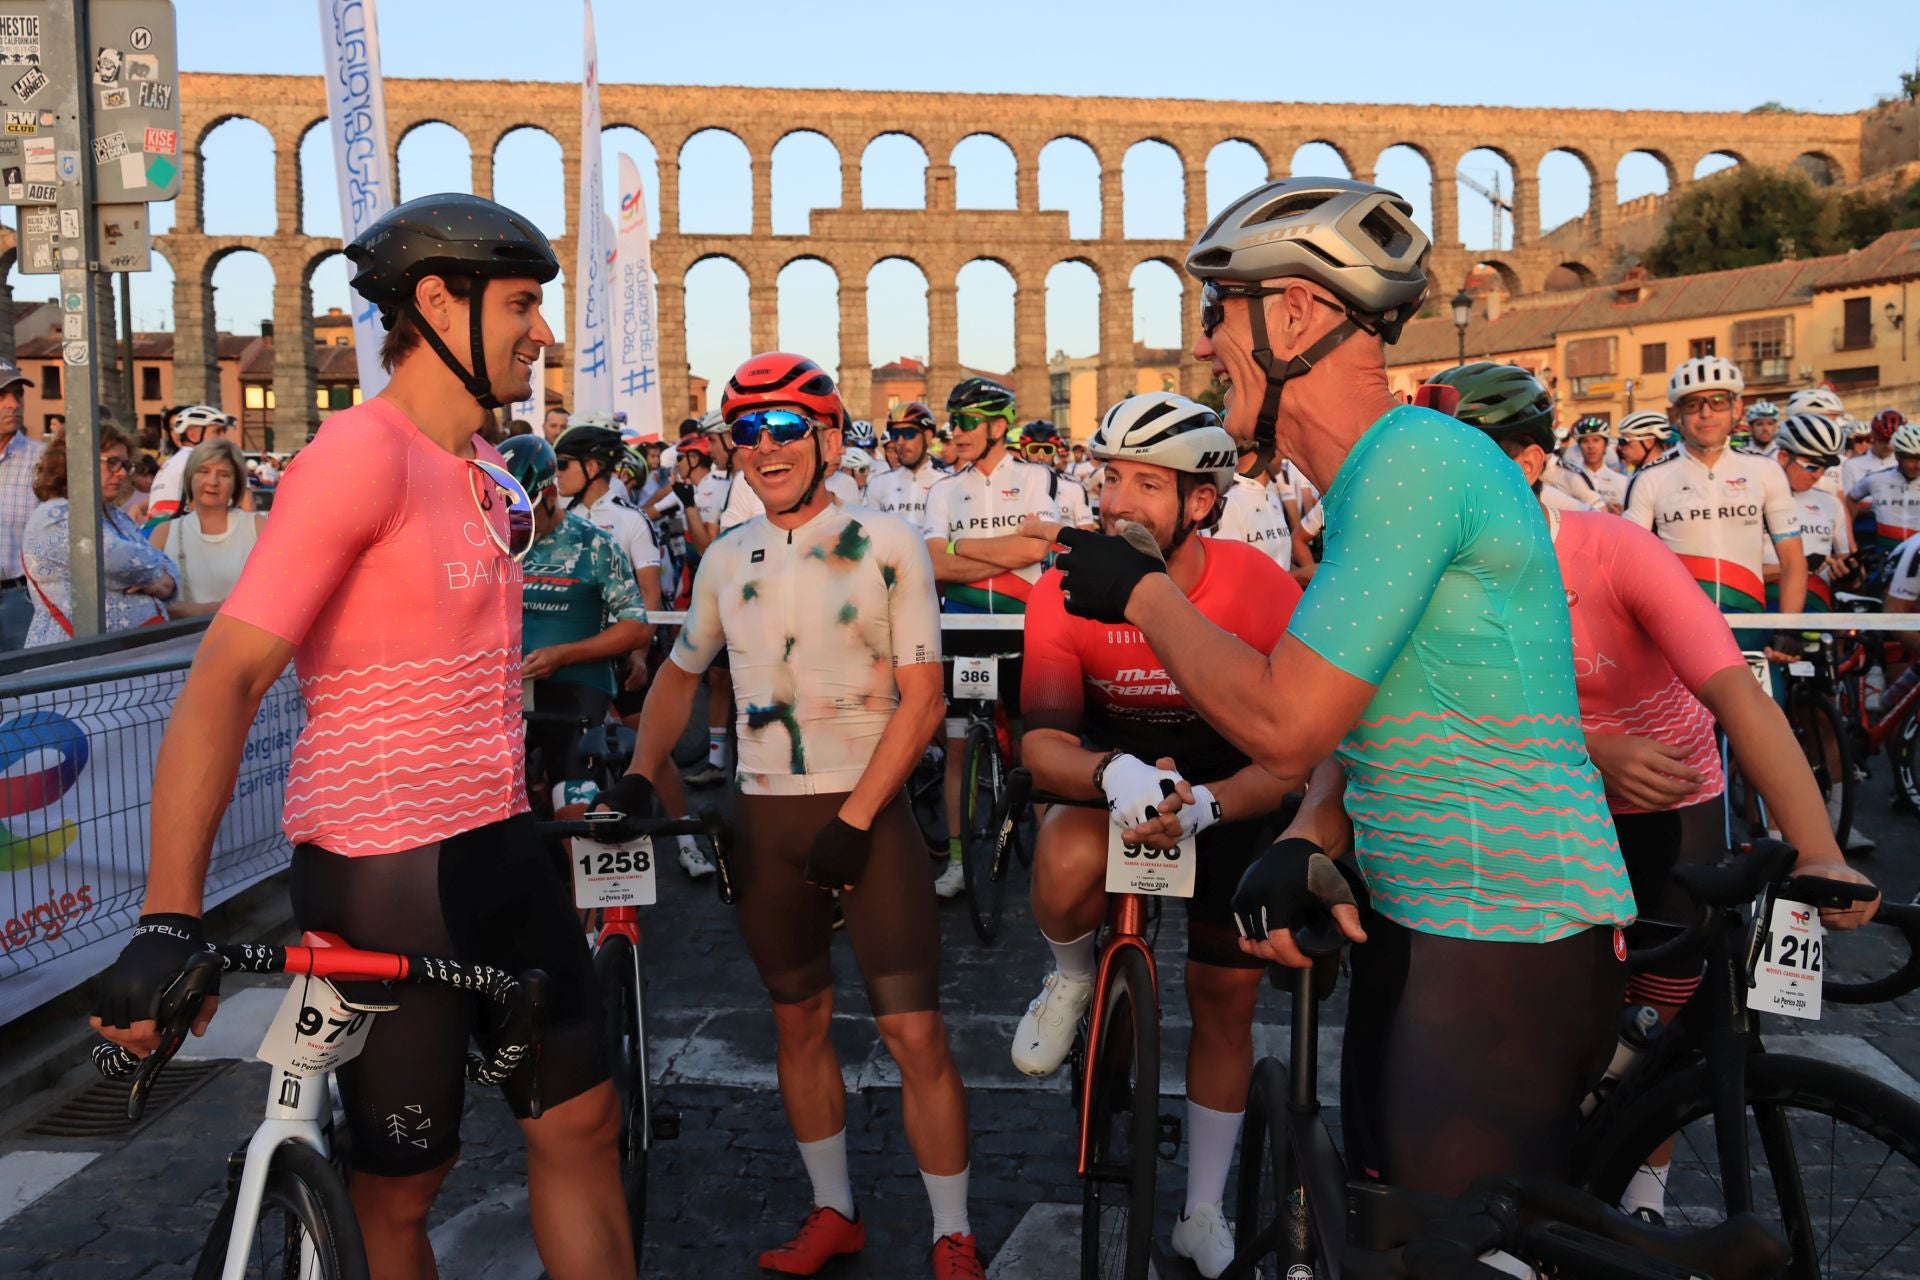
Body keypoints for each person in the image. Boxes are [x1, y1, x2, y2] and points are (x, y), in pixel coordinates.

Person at [1042, 176, 1633, 1197]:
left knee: (1443, 1252)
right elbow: (1388, 708)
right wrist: (1316, 828)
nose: (1200, 345)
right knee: (1388, 1226)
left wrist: (1141, 592)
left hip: (1496, 926)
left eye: (1214, 311)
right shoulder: (1382, 473)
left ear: (1298, 311)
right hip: (1438, 914)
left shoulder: (1410, 464)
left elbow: (1285, 719)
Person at [89, 193, 641, 1280]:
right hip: (384, 864)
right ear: (438, 302)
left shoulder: (488, 472)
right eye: (524, 303)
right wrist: (169, 913)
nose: (544, 330)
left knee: (583, 1127)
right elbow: (226, 677)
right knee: (401, 1191)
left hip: (499, 842)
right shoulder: (359, 453)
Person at [1439, 363, 1878, 1225]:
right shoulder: (1440, 571)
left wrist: (1820, 849)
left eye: (1464, 464)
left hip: (1667, 802)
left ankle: (1644, 1195)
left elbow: (1738, 698)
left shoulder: (1612, 549)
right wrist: (1589, 746)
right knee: (1552, 1017)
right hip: (1545, 801)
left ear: (1528, 463)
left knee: (1664, 1015)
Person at [612, 351, 980, 1278]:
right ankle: (834, 1213)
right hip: (764, 821)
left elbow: (925, 701)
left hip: (866, 815)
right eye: (746, 432)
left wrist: (856, 821)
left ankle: (952, 1230)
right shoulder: (725, 556)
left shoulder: (886, 541)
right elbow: (680, 675)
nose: (764, 449)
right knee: (797, 1024)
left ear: (825, 437)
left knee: (913, 1033)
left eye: (784, 429)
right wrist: (638, 770)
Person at [1015, 394, 1300, 1276]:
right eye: (1110, 478)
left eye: (1147, 483)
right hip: (1116, 775)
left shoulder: (1258, 586)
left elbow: (1296, 747)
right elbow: (1040, 745)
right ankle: (1068, 978)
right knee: (1063, 851)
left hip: (1229, 789)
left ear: (1203, 502)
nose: (1119, 501)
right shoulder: (1065, 583)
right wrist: (1112, 775)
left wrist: (1214, 801)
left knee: (1225, 1003)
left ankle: (1203, 1210)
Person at [922, 376, 1061, 898]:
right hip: (961, 630)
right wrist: (989, 550)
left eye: (965, 423)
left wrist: (960, 546)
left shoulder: (1033, 477)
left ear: (998, 427)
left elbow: (1033, 553)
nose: (953, 431)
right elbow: (933, 563)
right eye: (952, 421)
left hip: (1024, 628)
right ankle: (958, 862)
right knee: (958, 748)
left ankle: (1050, 849)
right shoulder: (943, 488)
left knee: (1035, 747)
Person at [499, 434, 652, 822]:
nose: (513, 522)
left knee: (576, 809)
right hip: (506, 688)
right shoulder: (496, 543)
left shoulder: (595, 545)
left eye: (522, 510)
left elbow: (636, 627)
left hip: (575, 688)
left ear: (549, 495)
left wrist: (563, 654)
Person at [1624, 355, 1807, 629]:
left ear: (1737, 408)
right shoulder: (1651, 478)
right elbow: (1628, 565)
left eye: (1718, 401)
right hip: (1680, 626)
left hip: (1750, 621)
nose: (1706, 413)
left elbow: (1792, 559)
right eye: (1693, 404)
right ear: (1676, 416)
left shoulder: (1765, 471)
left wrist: (1789, 628)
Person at [20, 421, 178, 645]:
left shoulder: (115, 515)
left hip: (119, 662)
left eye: (125, 464)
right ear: (76, 462)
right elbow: (113, 557)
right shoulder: (54, 515)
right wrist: (159, 576)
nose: (122, 473)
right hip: (70, 664)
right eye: (112, 462)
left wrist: (166, 580)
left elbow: (168, 566)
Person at [151, 438, 264, 615]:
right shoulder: (164, 533)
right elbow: (148, 599)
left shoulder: (258, 527)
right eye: (203, 471)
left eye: (224, 474)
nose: (213, 481)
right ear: (190, 477)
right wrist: (202, 610)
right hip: (181, 639)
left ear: (236, 483)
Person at [1765, 413, 1855, 609]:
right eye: (1811, 467)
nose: (1818, 475)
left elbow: (1842, 561)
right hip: (1766, 602)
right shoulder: (1753, 501)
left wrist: (1848, 574)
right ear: (1783, 457)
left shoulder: (1831, 504)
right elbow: (1733, 573)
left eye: (1824, 468)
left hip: (1817, 601)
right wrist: (1800, 566)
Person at [0, 359, 44, 650]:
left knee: (25, 689)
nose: (12, 404)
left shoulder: (43, 461)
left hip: (20, 600)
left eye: (18, 394)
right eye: (1, 396)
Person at [144, 405, 242, 531]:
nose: (224, 438)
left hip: (160, 533)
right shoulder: (199, 462)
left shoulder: (175, 460)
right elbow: (244, 504)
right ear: (193, 435)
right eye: (217, 432)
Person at [1213, 442, 1293, 570]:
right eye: (1281, 447)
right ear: (1265, 451)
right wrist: (1300, 575)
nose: (1287, 455)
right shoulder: (1230, 501)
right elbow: (1231, 573)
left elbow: (1282, 563)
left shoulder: (1271, 497)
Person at [866, 401, 946, 529]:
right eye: (895, 435)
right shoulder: (878, 483)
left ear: (927, 436)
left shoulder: (947, 482)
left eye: (909, 433)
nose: (900, 441)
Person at [1847, 419, 1920, 553]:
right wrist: (1849, 539)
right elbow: (1850, 499)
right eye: (1911, 459)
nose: (1917, 466)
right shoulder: (1876, 479)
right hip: (1885, 553)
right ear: (1897, 456)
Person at [1019, 420, 1095, 530]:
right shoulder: (1010, 486)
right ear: (1023, 451)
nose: (1041, 456)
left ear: (1055, 452)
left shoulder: (1075, 487)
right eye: (1034, 449)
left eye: (1047, 449)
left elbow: (1087, 534)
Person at [1565, 416, 1627, 512]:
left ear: (1605, 444)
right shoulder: (1570, 479)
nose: (1591, 446)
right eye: (1585, 441)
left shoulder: (1622, 482)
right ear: (1579, 446)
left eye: (1596, 440)